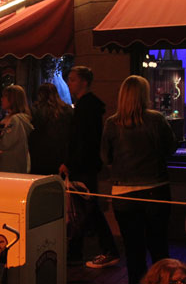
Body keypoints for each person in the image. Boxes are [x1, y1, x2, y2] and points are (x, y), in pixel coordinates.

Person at [101, 75, 177, 284]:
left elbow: (105, 157)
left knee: (133, 250)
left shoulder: (112, 123)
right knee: (159, 247)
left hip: (123, 193)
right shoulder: (156, 120)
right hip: (156, 189)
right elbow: (171, 149)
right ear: (144, 95)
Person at [63, 66, 120, 268]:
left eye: (72, 79)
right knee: (84, 208)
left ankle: (107, 248)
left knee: (88, 208)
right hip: (85, 164)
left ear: (83, 82)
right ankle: (77, 250)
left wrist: (70, 162)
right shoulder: (87, 107)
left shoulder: (85, 108)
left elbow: (83, 140)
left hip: (82, 166)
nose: (69, 83)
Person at [29, 83, 73, 175]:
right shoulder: (66, 109)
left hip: (40, 154)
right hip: (60, 153)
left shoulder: (37, 110)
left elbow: (33, 133)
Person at [0, 85, 33, 173]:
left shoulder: (16, 120)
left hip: (10, 167)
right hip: (8, 165)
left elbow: (3, 143)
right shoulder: (10, 118)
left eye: (4, 96)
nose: (1, 99)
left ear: (12, 99)